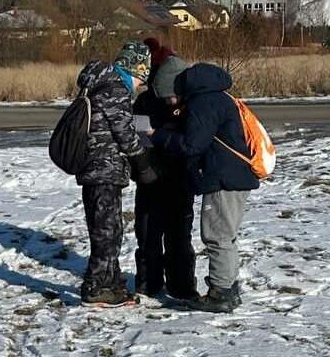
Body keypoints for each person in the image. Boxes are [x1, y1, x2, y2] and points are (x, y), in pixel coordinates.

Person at [149, 63, 260, 312]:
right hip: (235, 177)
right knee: (226, 235)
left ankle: (220, 294)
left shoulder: (204, 102)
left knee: (217, 235)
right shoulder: (219, 97)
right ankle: (228, 288)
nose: (171, 102)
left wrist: (156, 135)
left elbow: (192, 145)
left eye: (169, 96)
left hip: (223, 179)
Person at [72, 41, 152, 307]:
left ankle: (111, 282)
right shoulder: (116, 88)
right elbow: (125, 134)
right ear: (135, 69)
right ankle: (96, 287)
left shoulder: (97, 83)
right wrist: (142, 162)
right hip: (104, 169)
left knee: (108, 229)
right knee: (106, 232)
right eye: (142, 78)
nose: (141, 85)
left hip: (94, 168)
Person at [132, 40, 199, 302]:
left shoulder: (184, 101)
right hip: (155, 174)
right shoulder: (149, 100)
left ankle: (170, 284)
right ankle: (161, 283)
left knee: (166, 232)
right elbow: (136, 135)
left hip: (167, 174)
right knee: (163, 232)